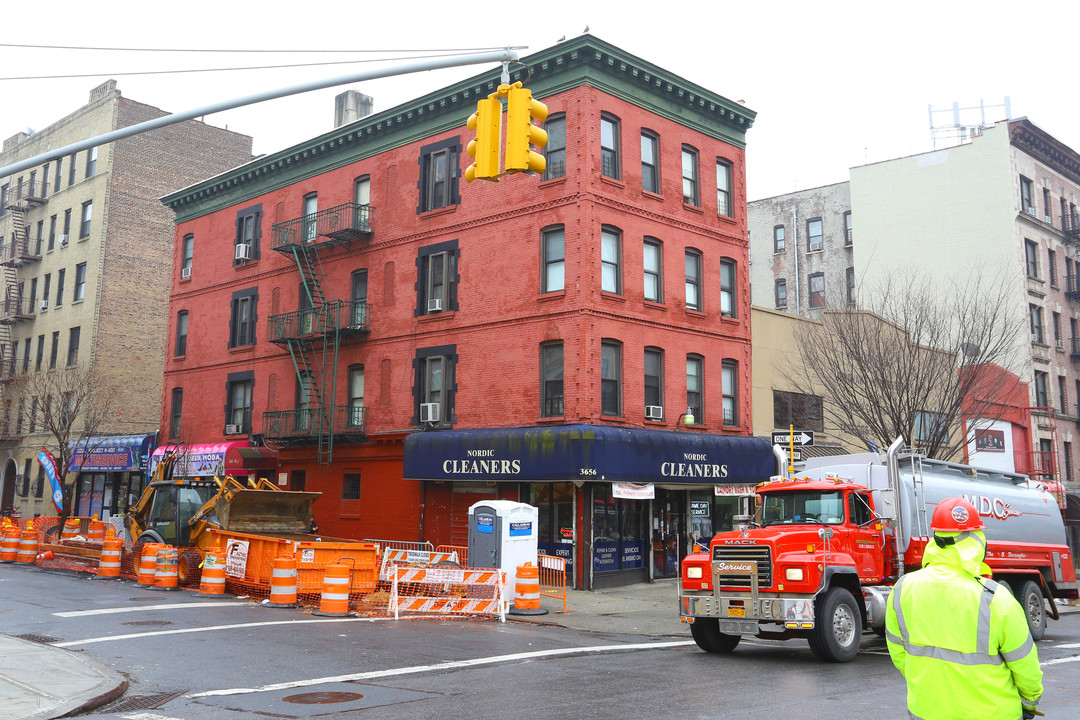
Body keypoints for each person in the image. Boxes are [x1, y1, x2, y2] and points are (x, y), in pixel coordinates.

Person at [885, 497, 1043, 720]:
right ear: (975, 540)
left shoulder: (903, 589)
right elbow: (1025, 665)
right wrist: (1030, 702)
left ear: (935, 539)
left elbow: (900, 654)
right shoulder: (995, 598)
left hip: (926, 711)